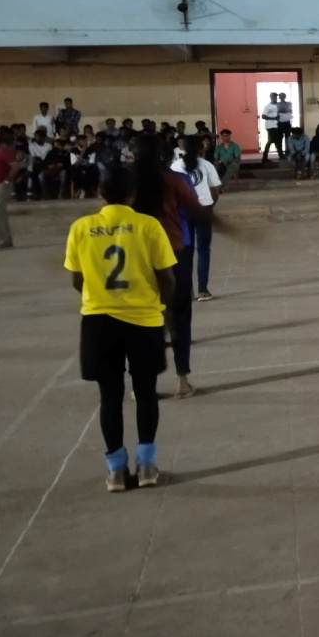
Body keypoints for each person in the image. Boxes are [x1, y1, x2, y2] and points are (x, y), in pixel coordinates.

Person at [65, 166, 178, 492]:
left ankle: (116, 470)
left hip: (99, 321)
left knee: (110, 397)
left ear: (99, 192)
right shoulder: (148, 226)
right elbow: (167, 278)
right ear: (133, 194)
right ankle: (146, 466)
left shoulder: (81, 228)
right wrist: (164, 311)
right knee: (146, 393)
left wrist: (100, 297)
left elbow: (77, 279)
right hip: (143, 319)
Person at [133, 134, 210, 398]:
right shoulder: (176, 180)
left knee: (143, 319)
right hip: (176, 252)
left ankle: (144, 383)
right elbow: (195, 210)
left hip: (139, 256)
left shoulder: (128, 181)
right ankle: (182, 380)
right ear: (164, 155)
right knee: (179, 317)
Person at [171, 135, 222, 302]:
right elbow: (215, 189)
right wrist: (210, 205)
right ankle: (203, 290)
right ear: (201, 148)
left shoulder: (176, 166)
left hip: (183, 211)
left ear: (183, 148)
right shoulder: (206, 165)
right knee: (203, 249)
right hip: (203, 209)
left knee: (186, 252)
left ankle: (188, 291)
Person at [261, 92, 285, 161]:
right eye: (273, 97)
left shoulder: (278, 105)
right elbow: (263, 116)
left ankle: (279, 155)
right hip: (271, 126)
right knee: (273, 140)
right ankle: (279, 155)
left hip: (277, 126)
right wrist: (273, 118)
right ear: (271, 97)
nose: (275, 98)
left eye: (276, 97)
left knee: (276, 140)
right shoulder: (268, 106)